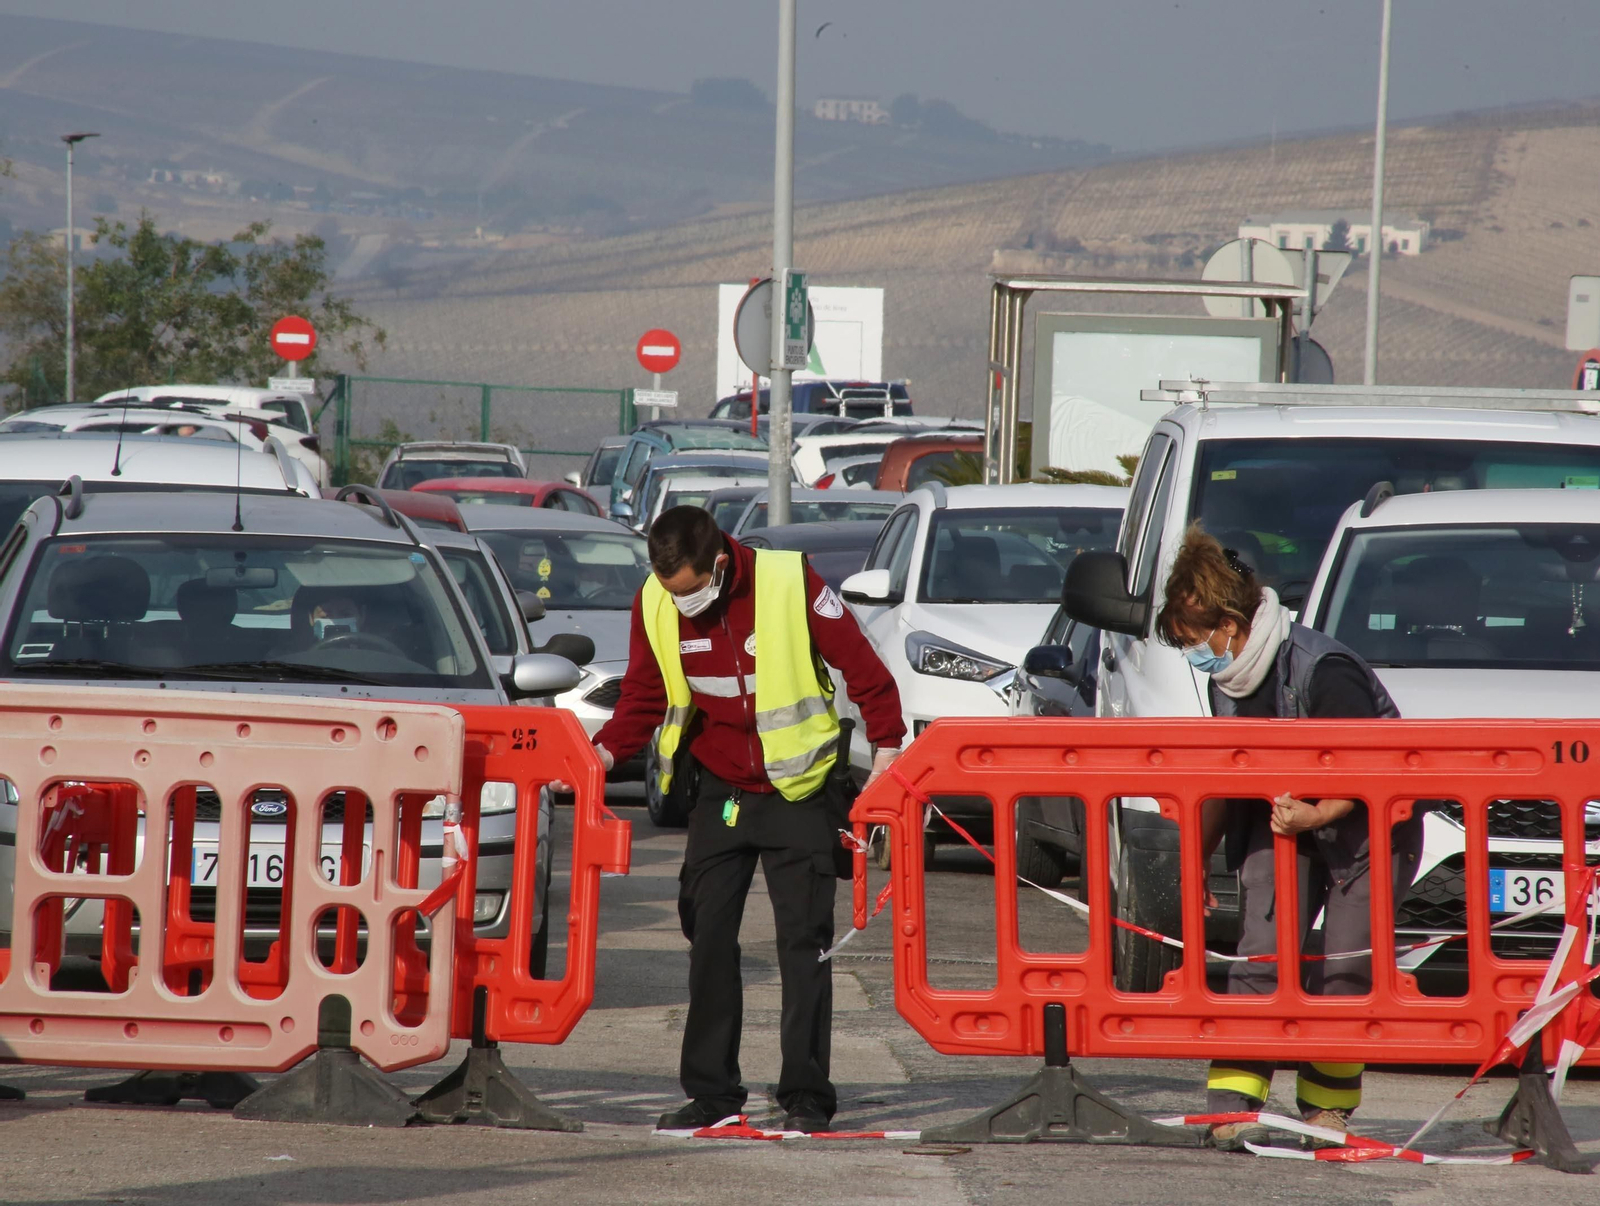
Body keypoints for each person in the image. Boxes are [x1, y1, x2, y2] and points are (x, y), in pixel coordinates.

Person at [592, 505, 904, 1134]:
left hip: (800, 792)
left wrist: (889, 758)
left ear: (721, 563)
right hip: (722, 792)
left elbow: (865, 671)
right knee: (707, 937)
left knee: (803, 946)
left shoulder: (790, 582)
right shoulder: (654, 601)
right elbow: (645, 697)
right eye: (673, 594)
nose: (685, 605)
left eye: (693, 591)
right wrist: (594, 756)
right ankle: (712, 1093)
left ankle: (806, 1094)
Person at [1154, 525, 1423, 1152]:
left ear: (1230, 623)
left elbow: (1371, 767)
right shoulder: (1230, 680)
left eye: (1198, 644)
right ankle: (1234, 1105)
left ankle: (1326, 1113)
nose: (1198, 659)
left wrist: (1319, 814)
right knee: (1260, 957)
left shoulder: (1323, 668)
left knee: (1345, 968)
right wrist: (1194, 863)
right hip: (1280, 823)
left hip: (1365, 828)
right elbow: (1223, 777)